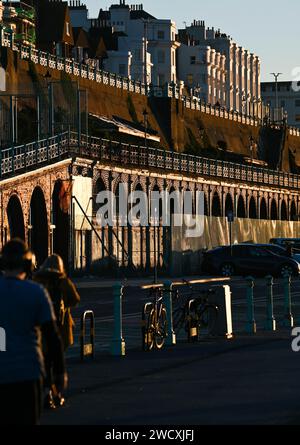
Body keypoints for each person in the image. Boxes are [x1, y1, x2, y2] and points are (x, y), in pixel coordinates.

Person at [0, 239, 67, 426]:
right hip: (28, 373)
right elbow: (52, 336)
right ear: (29, 264)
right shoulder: (36, 293)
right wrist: (60, 372)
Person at [34, 254, 80, 408]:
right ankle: (57, 393)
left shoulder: (38, 280)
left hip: (42, 330)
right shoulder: (63, 282)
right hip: (60, 329)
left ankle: (46, 392)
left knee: (45, 363)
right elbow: (75, 299)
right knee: (57, 362)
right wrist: (64, 306)